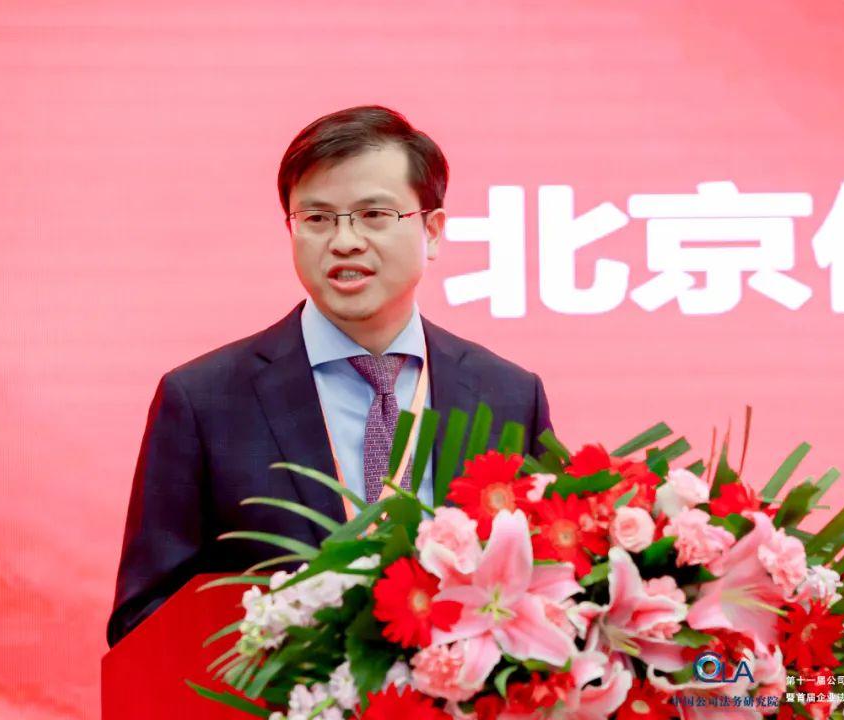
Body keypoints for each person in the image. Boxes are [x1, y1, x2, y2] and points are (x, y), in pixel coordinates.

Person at [106, 106, 552, 647]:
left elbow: (554, 584)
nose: (345, 241)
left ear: (432, 231)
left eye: (373, 214)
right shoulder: (204, 401)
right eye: (317, 219)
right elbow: (144, 620)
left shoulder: (508, 396)